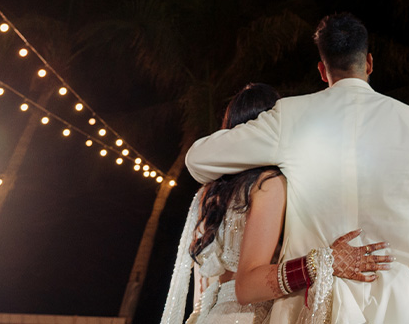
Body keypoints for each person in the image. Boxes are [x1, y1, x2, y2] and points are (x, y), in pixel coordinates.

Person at [185, 14, 409, 324]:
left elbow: (198, 159)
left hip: (311, 307)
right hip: (405, 308)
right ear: (369, 63)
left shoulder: (291, 117)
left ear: (322, 69)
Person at [160, 82, 393, 324]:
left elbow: (206, 282)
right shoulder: (268, 184)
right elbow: (247, 287)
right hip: (250, 315)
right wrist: (325, 261)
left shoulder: (209, 193)